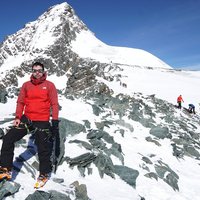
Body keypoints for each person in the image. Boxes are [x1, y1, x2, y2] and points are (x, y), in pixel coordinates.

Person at [0, 62, 59, 188]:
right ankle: (5, 169)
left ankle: (44, 173)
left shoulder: (49, 85)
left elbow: (54, 104)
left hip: (42, 120)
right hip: (27, 119)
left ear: (43, 71)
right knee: (8, 138)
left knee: (43, 147)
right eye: (35, 70)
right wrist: (17, 117)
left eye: (39, 70)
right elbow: (20, 102)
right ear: (32, 72)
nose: (37, 72)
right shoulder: (26, 85)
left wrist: (54, 121)